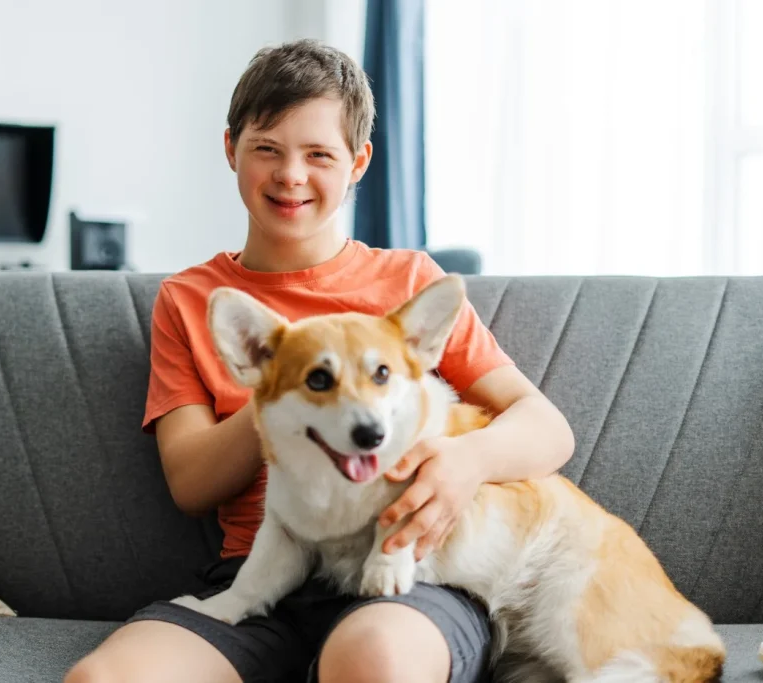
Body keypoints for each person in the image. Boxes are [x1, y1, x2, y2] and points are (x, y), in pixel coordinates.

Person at [65, 39, 575, 683]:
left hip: (405, 574)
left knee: (373, 661)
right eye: (267, 149)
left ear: (358, 162)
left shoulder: (411, 283)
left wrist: (463, 462)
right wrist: (288, 384)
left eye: (319, 155)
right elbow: (191, 484)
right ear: (231, 149)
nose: (291, 176)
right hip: (259, 574)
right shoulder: (192, 300)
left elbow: (548, 428)